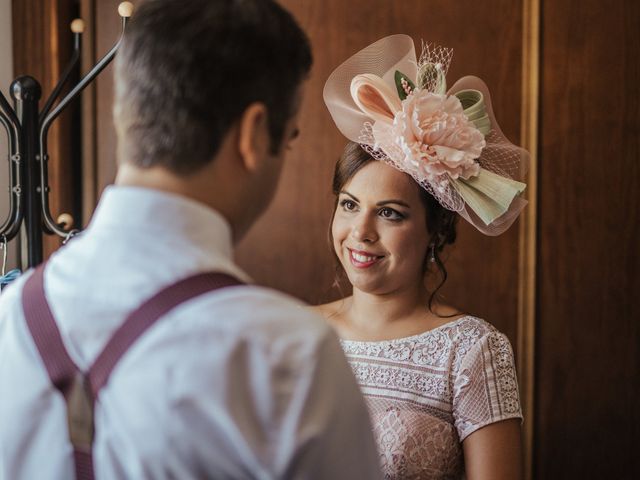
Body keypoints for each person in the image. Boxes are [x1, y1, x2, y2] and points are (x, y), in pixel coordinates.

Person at [0, 1, 382, 479]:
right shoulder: (286, 355)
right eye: (287, 140)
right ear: (254, 133)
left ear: (126, 115)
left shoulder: (10, 317)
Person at [315, 35, 529, 479]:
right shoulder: (294, 331)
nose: (360, 233)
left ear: (435, 231)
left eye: (390, 214)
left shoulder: (472, 351)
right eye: (350, 205)